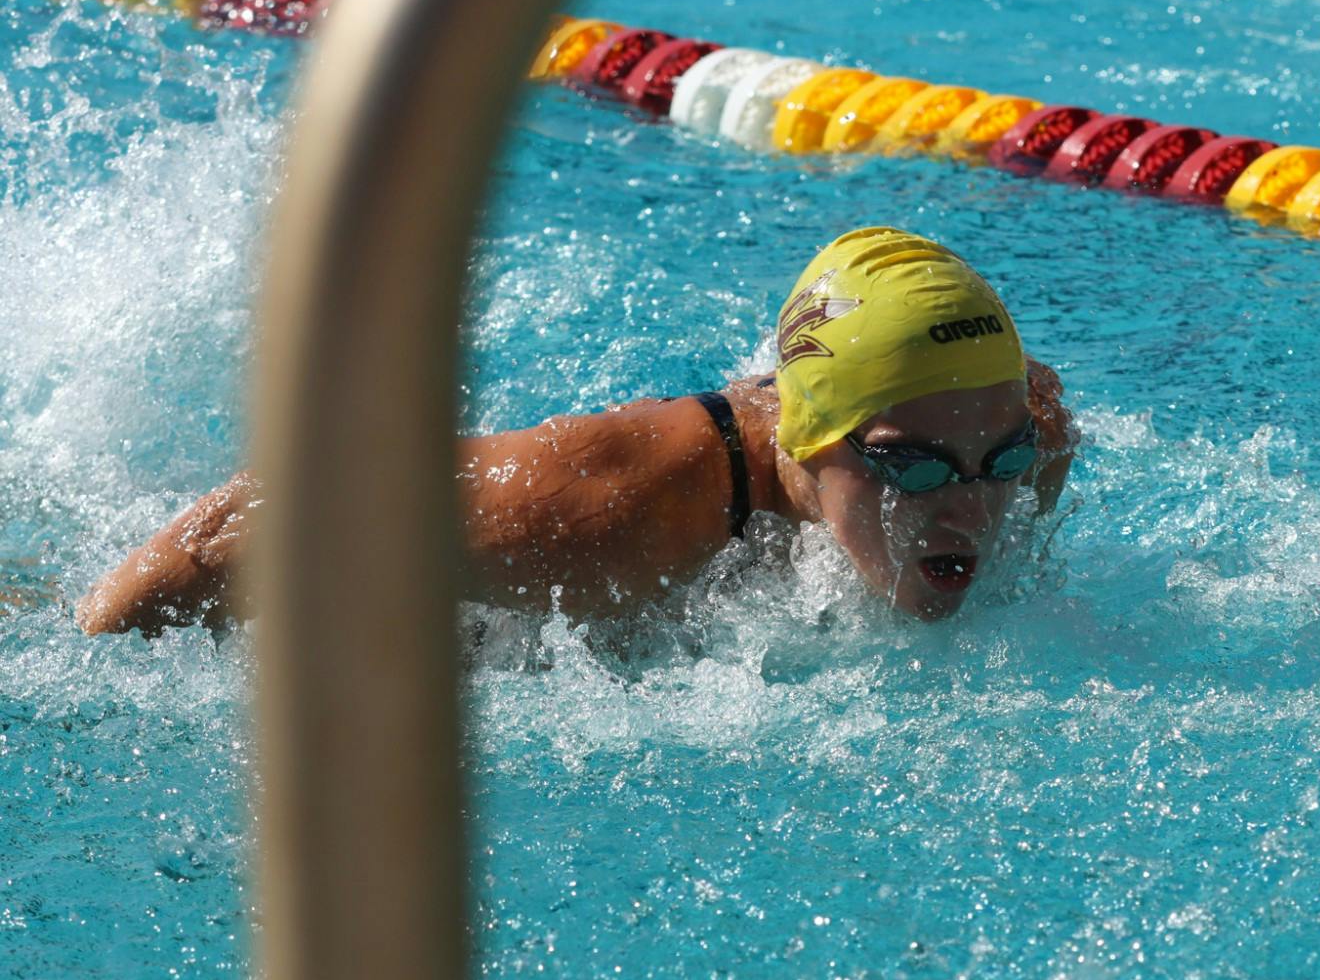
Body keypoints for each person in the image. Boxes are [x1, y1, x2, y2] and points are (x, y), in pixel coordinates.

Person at [77, 226, 1074, 635]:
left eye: (1000, 462)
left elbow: (1000, 426)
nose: (970, 506)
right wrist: (95, 634)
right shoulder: (611, 515)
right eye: (910, 467)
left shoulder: (1020, 435)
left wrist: (983, 455)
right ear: (809, 436)